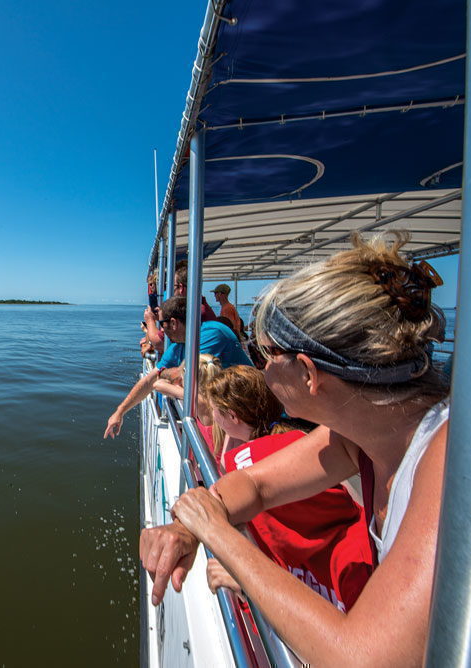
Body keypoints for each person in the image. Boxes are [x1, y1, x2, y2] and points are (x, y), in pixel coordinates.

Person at [139, 232, 448, 665]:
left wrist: (220, 537)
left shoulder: (449, 464)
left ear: (307, 373)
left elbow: (362, 657)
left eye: (267, 356)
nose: (260, 371)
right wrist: (186, 528)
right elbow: (257, 485)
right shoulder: (359, 435)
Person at [202, 365, 373, 612]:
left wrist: (248, 580)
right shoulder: (296, 442)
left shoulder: (356, 573)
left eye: (215, 411)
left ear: (232, 416)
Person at [104, 296, 252, 439]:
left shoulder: (211, 334)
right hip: (227, 416)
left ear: (173, 323)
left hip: (247, 412)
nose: (161, 330)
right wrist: (120, 412)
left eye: (162, 324)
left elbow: (183, 375)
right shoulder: (179, 344)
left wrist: (164, 374)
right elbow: (151, 379)